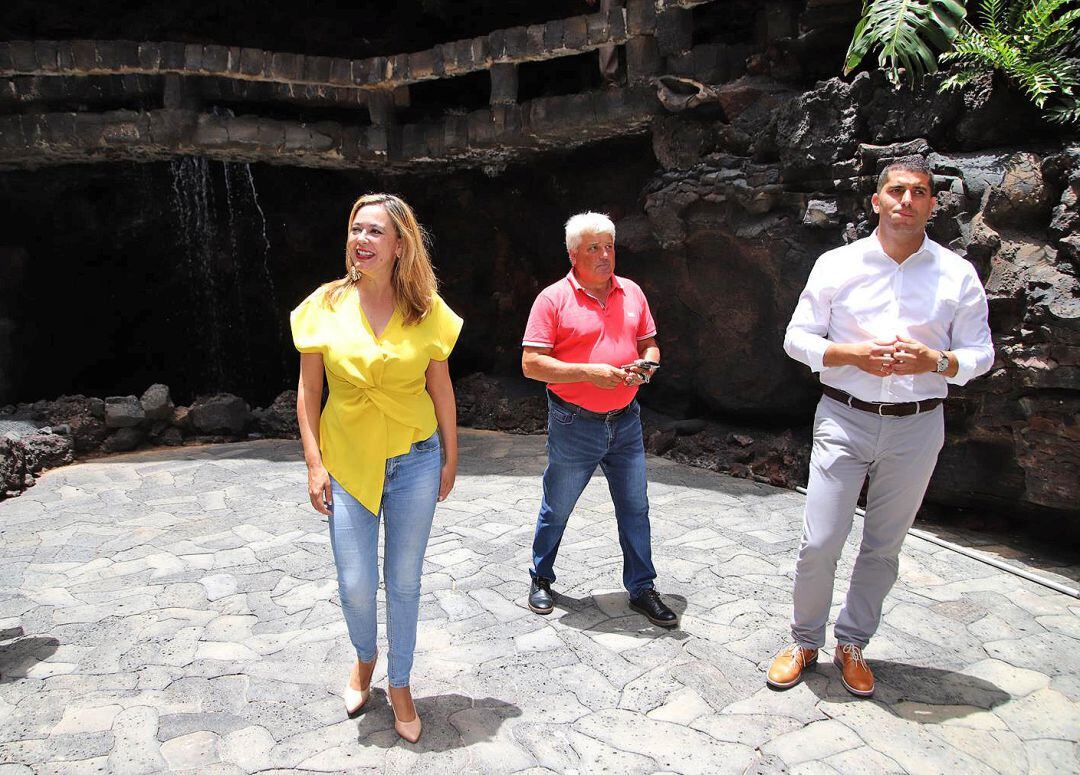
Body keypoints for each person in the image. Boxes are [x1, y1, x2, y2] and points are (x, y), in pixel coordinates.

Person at [770, 156, 994, 696]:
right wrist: (850, 355)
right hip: (844, 417)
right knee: (820, 540)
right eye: (896, 191)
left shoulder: (956, 274)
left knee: (883, 545)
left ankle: (852, 643)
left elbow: (981, 354)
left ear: (932, 205)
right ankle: (804, 640)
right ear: (876, 200)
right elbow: (796, 339)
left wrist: (935, 362)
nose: (906, 201)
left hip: (917, 426)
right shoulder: (837, 265)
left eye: (919, 192)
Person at [291, 193, 462, 742]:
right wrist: (315, 465)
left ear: (399, 245)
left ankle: (402, 682)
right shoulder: (324, 304)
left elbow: (441, 388)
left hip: (415, 458)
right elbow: (308, 392)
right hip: (346, 461)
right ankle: (364, 659)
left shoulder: (426, 308)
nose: (361, 241)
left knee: (405, 582)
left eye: (374, 232)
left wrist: (451, 456)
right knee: (356, 583)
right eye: (355, 230)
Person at [521, 211, 677, 627]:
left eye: (609, 246)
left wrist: (647, 365)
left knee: (635, 507)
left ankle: (642, 588)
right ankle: (541, 577)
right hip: (575, 422)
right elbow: (532, 364)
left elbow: (650, 344)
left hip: (626, 419)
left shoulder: (632, 293)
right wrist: (590, 373)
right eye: (593, 247)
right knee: (558, 507)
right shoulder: (552, 299)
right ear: (573, 254)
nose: (605, 255)